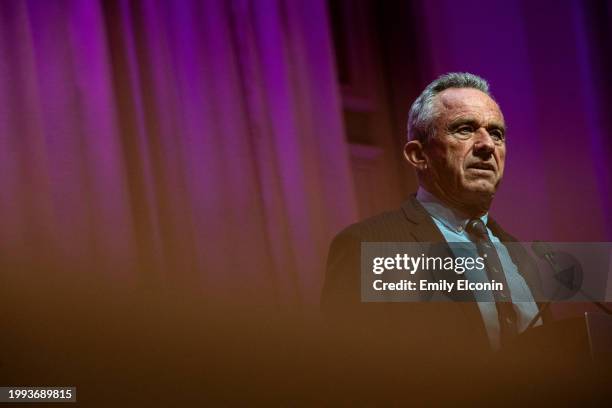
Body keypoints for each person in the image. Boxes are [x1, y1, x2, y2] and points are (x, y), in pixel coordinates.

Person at [321, 72, 550, 354]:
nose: (487, 145)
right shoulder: (368, 247)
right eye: (464, 129)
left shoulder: (523, 257)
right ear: (419, 155)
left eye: (496, 133)